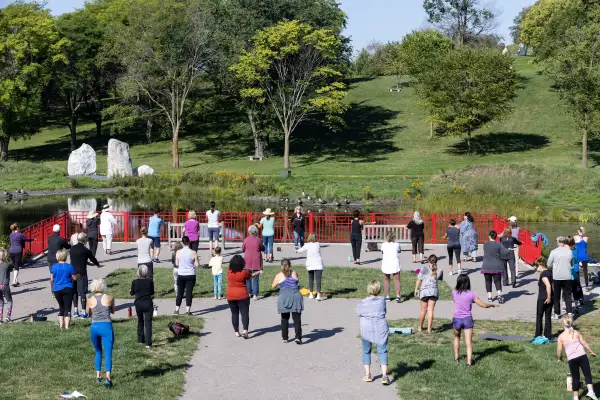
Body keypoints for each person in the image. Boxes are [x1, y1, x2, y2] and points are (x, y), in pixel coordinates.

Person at [452, 274, 497, 365]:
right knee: (468, 342)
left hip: (457, 318)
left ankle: (456, 358)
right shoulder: (471, 294)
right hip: (467, 319)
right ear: (468, 283)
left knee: (456, 337)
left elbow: (455, 300)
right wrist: (492, 305)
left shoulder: (454, 292)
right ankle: (469, 362)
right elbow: (483, 305)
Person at [356, 280, 390, 385]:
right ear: (379, 290)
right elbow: (384, 311)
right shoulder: (382, 300)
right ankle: (384, 376)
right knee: (382, 351)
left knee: (366, 351)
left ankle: (368, 374)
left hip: (366, 328)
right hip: (380, 328)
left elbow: (358, 312)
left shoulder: (363, 302)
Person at [557, 315, 598, 400]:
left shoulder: (561, 336)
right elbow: (584, 343)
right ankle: (591, 391)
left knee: (575, 378)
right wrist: (591, 351)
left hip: (572, 359)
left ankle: (575, 397)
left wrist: (559, 358)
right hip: (582, 356)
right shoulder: (576, 332)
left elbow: (559, 350)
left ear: (562, 325)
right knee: (587, 374)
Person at [86, 279, 115, 388]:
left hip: (94, 327)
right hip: (106, 326)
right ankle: (108, 377)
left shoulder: (89, 299)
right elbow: (113, 311)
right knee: (108, 354)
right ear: (103, 287)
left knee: (98, 351)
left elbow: (88, 313)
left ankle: (98, 376)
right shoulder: (110, 298)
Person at [226, 254, 262, 339]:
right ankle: (245, 330)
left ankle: (236, 332)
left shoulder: (229, 272)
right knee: (244, 313)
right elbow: (251, 276)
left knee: (234, 314)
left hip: (231, 295)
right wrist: (258, 272)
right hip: (242, 295)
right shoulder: (244, 272)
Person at [272, 258, 304, 344]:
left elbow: (273, 286)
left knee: (284, 318)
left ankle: (285, 337)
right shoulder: (295, 273)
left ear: (281, 266)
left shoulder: (279, 275)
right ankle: (298, 337)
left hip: (284, 297)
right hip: (295, 296)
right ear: (290, 265)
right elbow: (296, 282)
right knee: (297, 319)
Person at [70, 233, 101, 318]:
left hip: (72, 273)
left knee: (74, 291)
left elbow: (76, 259)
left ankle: (75, 311)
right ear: (84, 240)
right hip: (82, 273)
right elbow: (93, 259)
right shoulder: (85, 250)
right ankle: (84, 312)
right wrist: (97, 264)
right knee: (82, 291)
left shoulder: (72, 249)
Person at [481, 230, 512, 304]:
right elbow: (505, 252)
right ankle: (499, 295)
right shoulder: (499, 244)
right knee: (497, 281)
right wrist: (510, 249)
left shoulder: (485, 244)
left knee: (488, 282)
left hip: (486, 266)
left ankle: (489, 297)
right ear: (496, 237)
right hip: (497, 266)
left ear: (489, 236)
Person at [50, 249, 78, 329]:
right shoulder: (69, 266)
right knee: (68, 307)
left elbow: (51, 279)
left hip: (57, 289)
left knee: (61, 306)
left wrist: (52, 289)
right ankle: (67, 326)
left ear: (57, 257)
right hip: (68, 288)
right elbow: (74, 278)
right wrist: (77, 275)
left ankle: (61, 325)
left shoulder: (54, 267)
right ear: (65, 257)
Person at [414, 254, 442, 333]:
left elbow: (419, 279)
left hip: (424, 292)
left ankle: (420, 327)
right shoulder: (439, 270)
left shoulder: (424, 269)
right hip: (434, 292)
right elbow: (439, 279)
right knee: (431, 310)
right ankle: (429, 329)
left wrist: (416, 289)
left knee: (423, 310)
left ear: (428, 261)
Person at [548, 236, 574, 318]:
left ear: (558, 242)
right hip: (567, 276)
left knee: (556, 296)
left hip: (557, 276)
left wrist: (554, 265)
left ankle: (557, 313)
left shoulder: (553, 252)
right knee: (568, 295)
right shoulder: (569, 251)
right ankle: (569, 312)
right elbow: (572, 263)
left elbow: (548, 264)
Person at [130, 265, 154, 348]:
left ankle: (140, 340)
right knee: (148, 323)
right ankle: (148, 343)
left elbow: (132, 293)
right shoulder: (150, 281)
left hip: (138, 303)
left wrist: (132, 290)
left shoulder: (134, 282)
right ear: (146, 272)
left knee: (140, 321)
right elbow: (152, 292)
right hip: (148, 303)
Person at [174, 236, 199, 315]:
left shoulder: (178, 252)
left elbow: (177, 264)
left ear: (182, 243)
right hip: (190, 274)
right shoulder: (193, 252)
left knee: (180, 293)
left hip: (181, 274)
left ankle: (177, 310)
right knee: (189, 293)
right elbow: (197, 265)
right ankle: (188, 310)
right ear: (189, 242)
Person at [297, 233, 324, 300]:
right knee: (318, 280)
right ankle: (318, 295)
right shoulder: (318, 244)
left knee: (311, 279)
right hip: (318, 264)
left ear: (309, 238)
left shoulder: (307, 245)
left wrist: (296, 250)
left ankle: (311, 294)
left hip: (310, 264)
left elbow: (300, 250)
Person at [241, 225, 264, 300]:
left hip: (247, 261)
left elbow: (243, 249)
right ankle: (255, 295)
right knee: (255, 279)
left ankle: (248, 293)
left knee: (248, 278)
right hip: (256, 261)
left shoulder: (246, 240)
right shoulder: (259, 240)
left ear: (249, 232)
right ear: (256, 232)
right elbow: (262, 248)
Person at [8, 222, 33, 287]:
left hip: (11, 251)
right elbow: (26, 239)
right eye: (20, 227)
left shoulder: (11, 234)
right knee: (16, 266)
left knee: (14, 266)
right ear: (18, 228)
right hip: (18, 251)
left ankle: (16, 280)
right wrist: (32, 239)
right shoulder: (20, 234)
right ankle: (14, 281)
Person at [534, 257, 553, 340]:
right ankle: (547, 335)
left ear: (541, 265)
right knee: (548, 317)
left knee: (539, 316)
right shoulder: (549, 272)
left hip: (543, 298)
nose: (536, 268)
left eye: (536, 266)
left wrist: (548, 297)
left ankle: (538, 335)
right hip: (550, 297)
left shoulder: (544, 274)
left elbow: (548, 285)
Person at [380, 231, 401, 303]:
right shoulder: (397, 244)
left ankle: (387, 297)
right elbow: (399, 251)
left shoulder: (383, 245)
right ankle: (398, 296)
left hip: (386, 263)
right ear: (394, 237)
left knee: (386, 280)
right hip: (395, 263)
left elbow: (382, 252)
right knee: (397, 280)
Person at [569, 236, 584, 311]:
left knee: (575, 285)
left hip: (573, 269)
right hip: (574, 269)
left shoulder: (570, 250)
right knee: (577, 285)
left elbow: (578, 259)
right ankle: (579, 298)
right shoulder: (575, 249)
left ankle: (579, 298)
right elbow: (579, 259)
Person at [0, 248, 14, 323]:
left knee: (0, 302)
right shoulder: (7, 265)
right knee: (9, 301)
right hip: (5, 285)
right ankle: (8, 317)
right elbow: (12, 267)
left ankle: (0, 317)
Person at [575, 227, 590, 292]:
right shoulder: (586, 238)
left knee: (577, 271)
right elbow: (584, 246)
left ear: (578, 231)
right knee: (585, 271)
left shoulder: (574, 237)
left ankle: (578, 286)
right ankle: (586, 286)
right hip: (584, 255)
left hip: (577, 255)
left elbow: (573, 246)